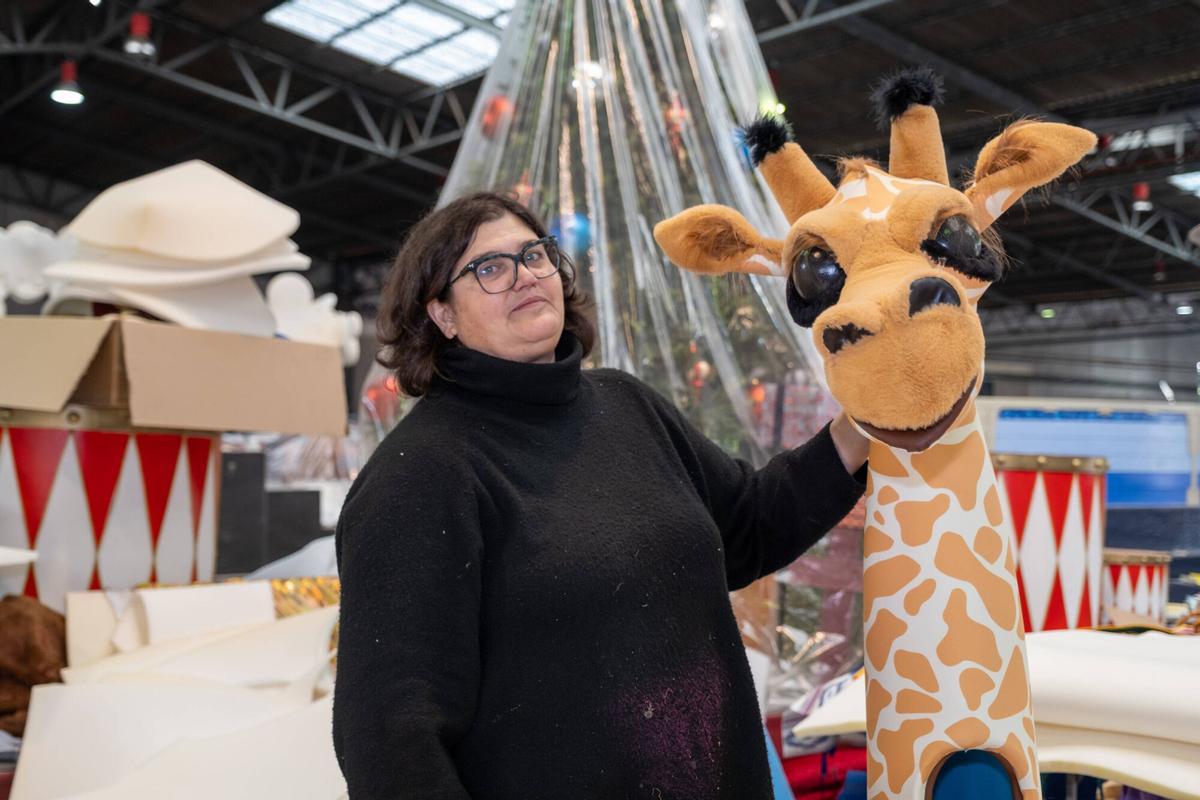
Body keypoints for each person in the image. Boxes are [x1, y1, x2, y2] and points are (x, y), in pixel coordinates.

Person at [332, 191, 869, 799]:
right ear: (441, 316)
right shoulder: (419, 476)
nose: (524, 276)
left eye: (534, 254)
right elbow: (388, 737)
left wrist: (864, 426)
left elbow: (747, 525)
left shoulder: (625, 405)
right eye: (488, 267)